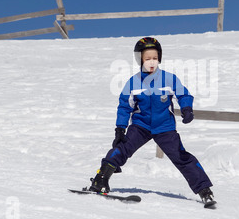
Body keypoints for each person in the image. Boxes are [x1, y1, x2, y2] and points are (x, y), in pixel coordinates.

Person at [87, 37, 215, 206]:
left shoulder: (169, 79)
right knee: (121, 148)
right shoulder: (133, 82)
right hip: (141, 126)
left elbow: (183, 95)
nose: (151, 62)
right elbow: (125, 107)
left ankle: (205, 190)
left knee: (181, 157)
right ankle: (100, 180)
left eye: (155, 58)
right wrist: (120, 128)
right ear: (140, 59)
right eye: (147, 58)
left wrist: (186, 108)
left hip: (165, 127)